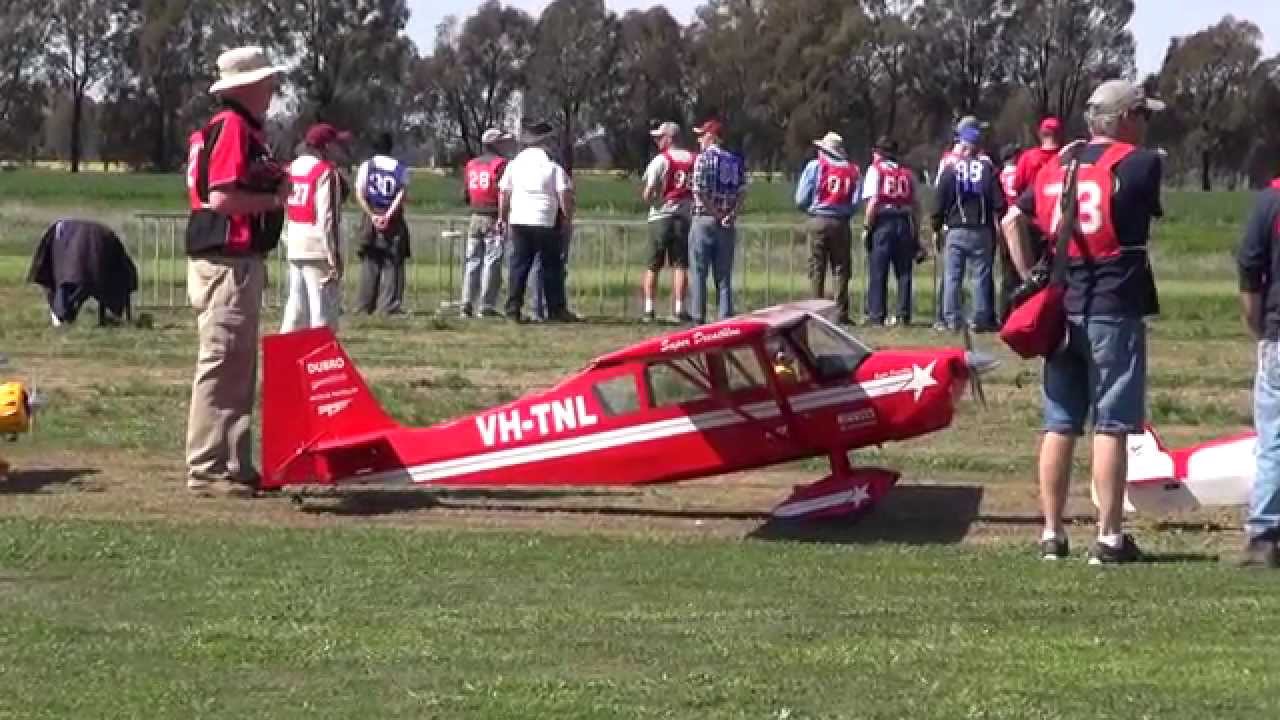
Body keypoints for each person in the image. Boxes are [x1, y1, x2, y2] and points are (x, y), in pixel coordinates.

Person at [1002, 79, 1165, 564]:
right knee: (1111, 424)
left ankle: (1051, 534)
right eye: (1143, 114)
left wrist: (1030, 274)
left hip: (1062, 303)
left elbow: (1013, 220)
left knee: (1059, 422)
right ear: (1126, 119)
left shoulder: (1057, 166)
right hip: (1114, 304)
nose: (1147, 123)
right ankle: (1109, 536)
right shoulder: (1139, 164)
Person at [183, 46, 288, 497]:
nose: (272, 89)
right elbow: (222, 198)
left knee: (238, 367)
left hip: (235, 262)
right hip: (226, 261)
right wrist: (274, 200)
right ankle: (208, 468)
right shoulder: (232, 128)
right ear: (245, 86)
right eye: (266, 81)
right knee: (223, 362)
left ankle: (234, 462)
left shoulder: (238, 129)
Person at [1236, 174, 1280, 568]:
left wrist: (1257, 325)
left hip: (1279, 330)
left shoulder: (1271, 201)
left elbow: (1250, 267)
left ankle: (1265, 532)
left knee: (1274, 439)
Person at [500, 120, 577, 323]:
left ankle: (513, 309)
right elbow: (564, 194)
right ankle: (556, 309)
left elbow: (504, 193)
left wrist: (502, 217)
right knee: (551, 267)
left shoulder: (514, 165)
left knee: (519, 267)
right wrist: (567, 218)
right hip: (545, 220)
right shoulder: (552, 165)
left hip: (519, 220)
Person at [932, 126, 1005, 332]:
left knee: (953, 276)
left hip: (955, 228)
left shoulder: (950, 169)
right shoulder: (987, 170)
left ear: (963, 147)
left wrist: (936, 227)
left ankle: (952, 319)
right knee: (980, 275)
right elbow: (999, 203)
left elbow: (939, 201)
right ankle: (979, 319)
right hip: (981, 229)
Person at [281, 123, 350, 333]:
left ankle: (283, 361)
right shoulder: (326, 173)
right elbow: (327, 219)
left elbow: (284, 208)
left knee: (295, 307)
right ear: (327, 146)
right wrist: (334, 257)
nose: (341, 150)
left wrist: (286, 238)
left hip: (294, 241)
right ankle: (318, 361)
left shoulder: (290, 169)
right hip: (317, 246)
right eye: (337, 145)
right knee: (322, 311)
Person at [795, 132, 861, 324]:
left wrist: (811, 209)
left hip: (818, 219)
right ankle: (841, 312)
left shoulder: (815, 166)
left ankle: (816, 312)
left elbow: (800, 198)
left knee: (817, 267)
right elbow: (856, 202)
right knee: (841, 268)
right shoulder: (852, 170)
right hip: (841, 221)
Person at [862, 137, 926, 327]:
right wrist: (916, 231)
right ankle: (903, 314)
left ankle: (876, 314)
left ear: (879, 153)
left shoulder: (876, 170)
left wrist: (867, 227)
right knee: (904, 271)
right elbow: (916, 205)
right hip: (904, 222)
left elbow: (874, 201)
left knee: (878, 270)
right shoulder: (907, 174)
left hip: (883, 222)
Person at [689, 119, 747, 324]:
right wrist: (731, 214)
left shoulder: (703, 159)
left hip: (704, 219)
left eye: (701, 135)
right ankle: (725, 317)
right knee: (723, 275)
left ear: (710, 137)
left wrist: (715, 213)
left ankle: (698, 317)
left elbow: (699, 191)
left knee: (699, 271)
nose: (698, 140)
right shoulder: (735, 161)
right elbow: (742, 192)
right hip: (727, 223)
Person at [641, 121, 695, 323]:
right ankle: (680, 309)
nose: (657, 141)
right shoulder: (693, 159)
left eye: (660, 137)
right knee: (680, 264)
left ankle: (649, 309)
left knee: (653, 264)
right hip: (684, 216)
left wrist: (654, 200)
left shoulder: (661, 160)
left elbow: (648, 192)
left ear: (669, 138)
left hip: (661, 216)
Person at [354, 132, 410, 315]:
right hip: (392, 220)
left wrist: (372, 215)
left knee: (370, 262)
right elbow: (401, 194)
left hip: (370, 217)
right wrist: (388, 214)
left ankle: (364, 304)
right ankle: (388, 305)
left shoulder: (366, 166)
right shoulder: (400, 168)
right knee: (392, 263)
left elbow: (360, 193)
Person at [460, 128, 513, 318]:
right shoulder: (501, 164)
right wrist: (503, 217)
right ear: (496, 144)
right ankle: (486, 305)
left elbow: (465, 194)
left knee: (472, 261)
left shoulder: (471, 164)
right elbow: (503, 192)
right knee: (492, 261)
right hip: (493, 216)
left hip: (475, 216)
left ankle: (466, 302)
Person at [996, 144, 1023, 323]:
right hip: (1019, 223)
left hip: (1003, 223)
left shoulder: (999, 176)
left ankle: (1004, 313)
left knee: (1007, 272)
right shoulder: (1020, 173)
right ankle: (1019, 310)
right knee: (1022, 270)